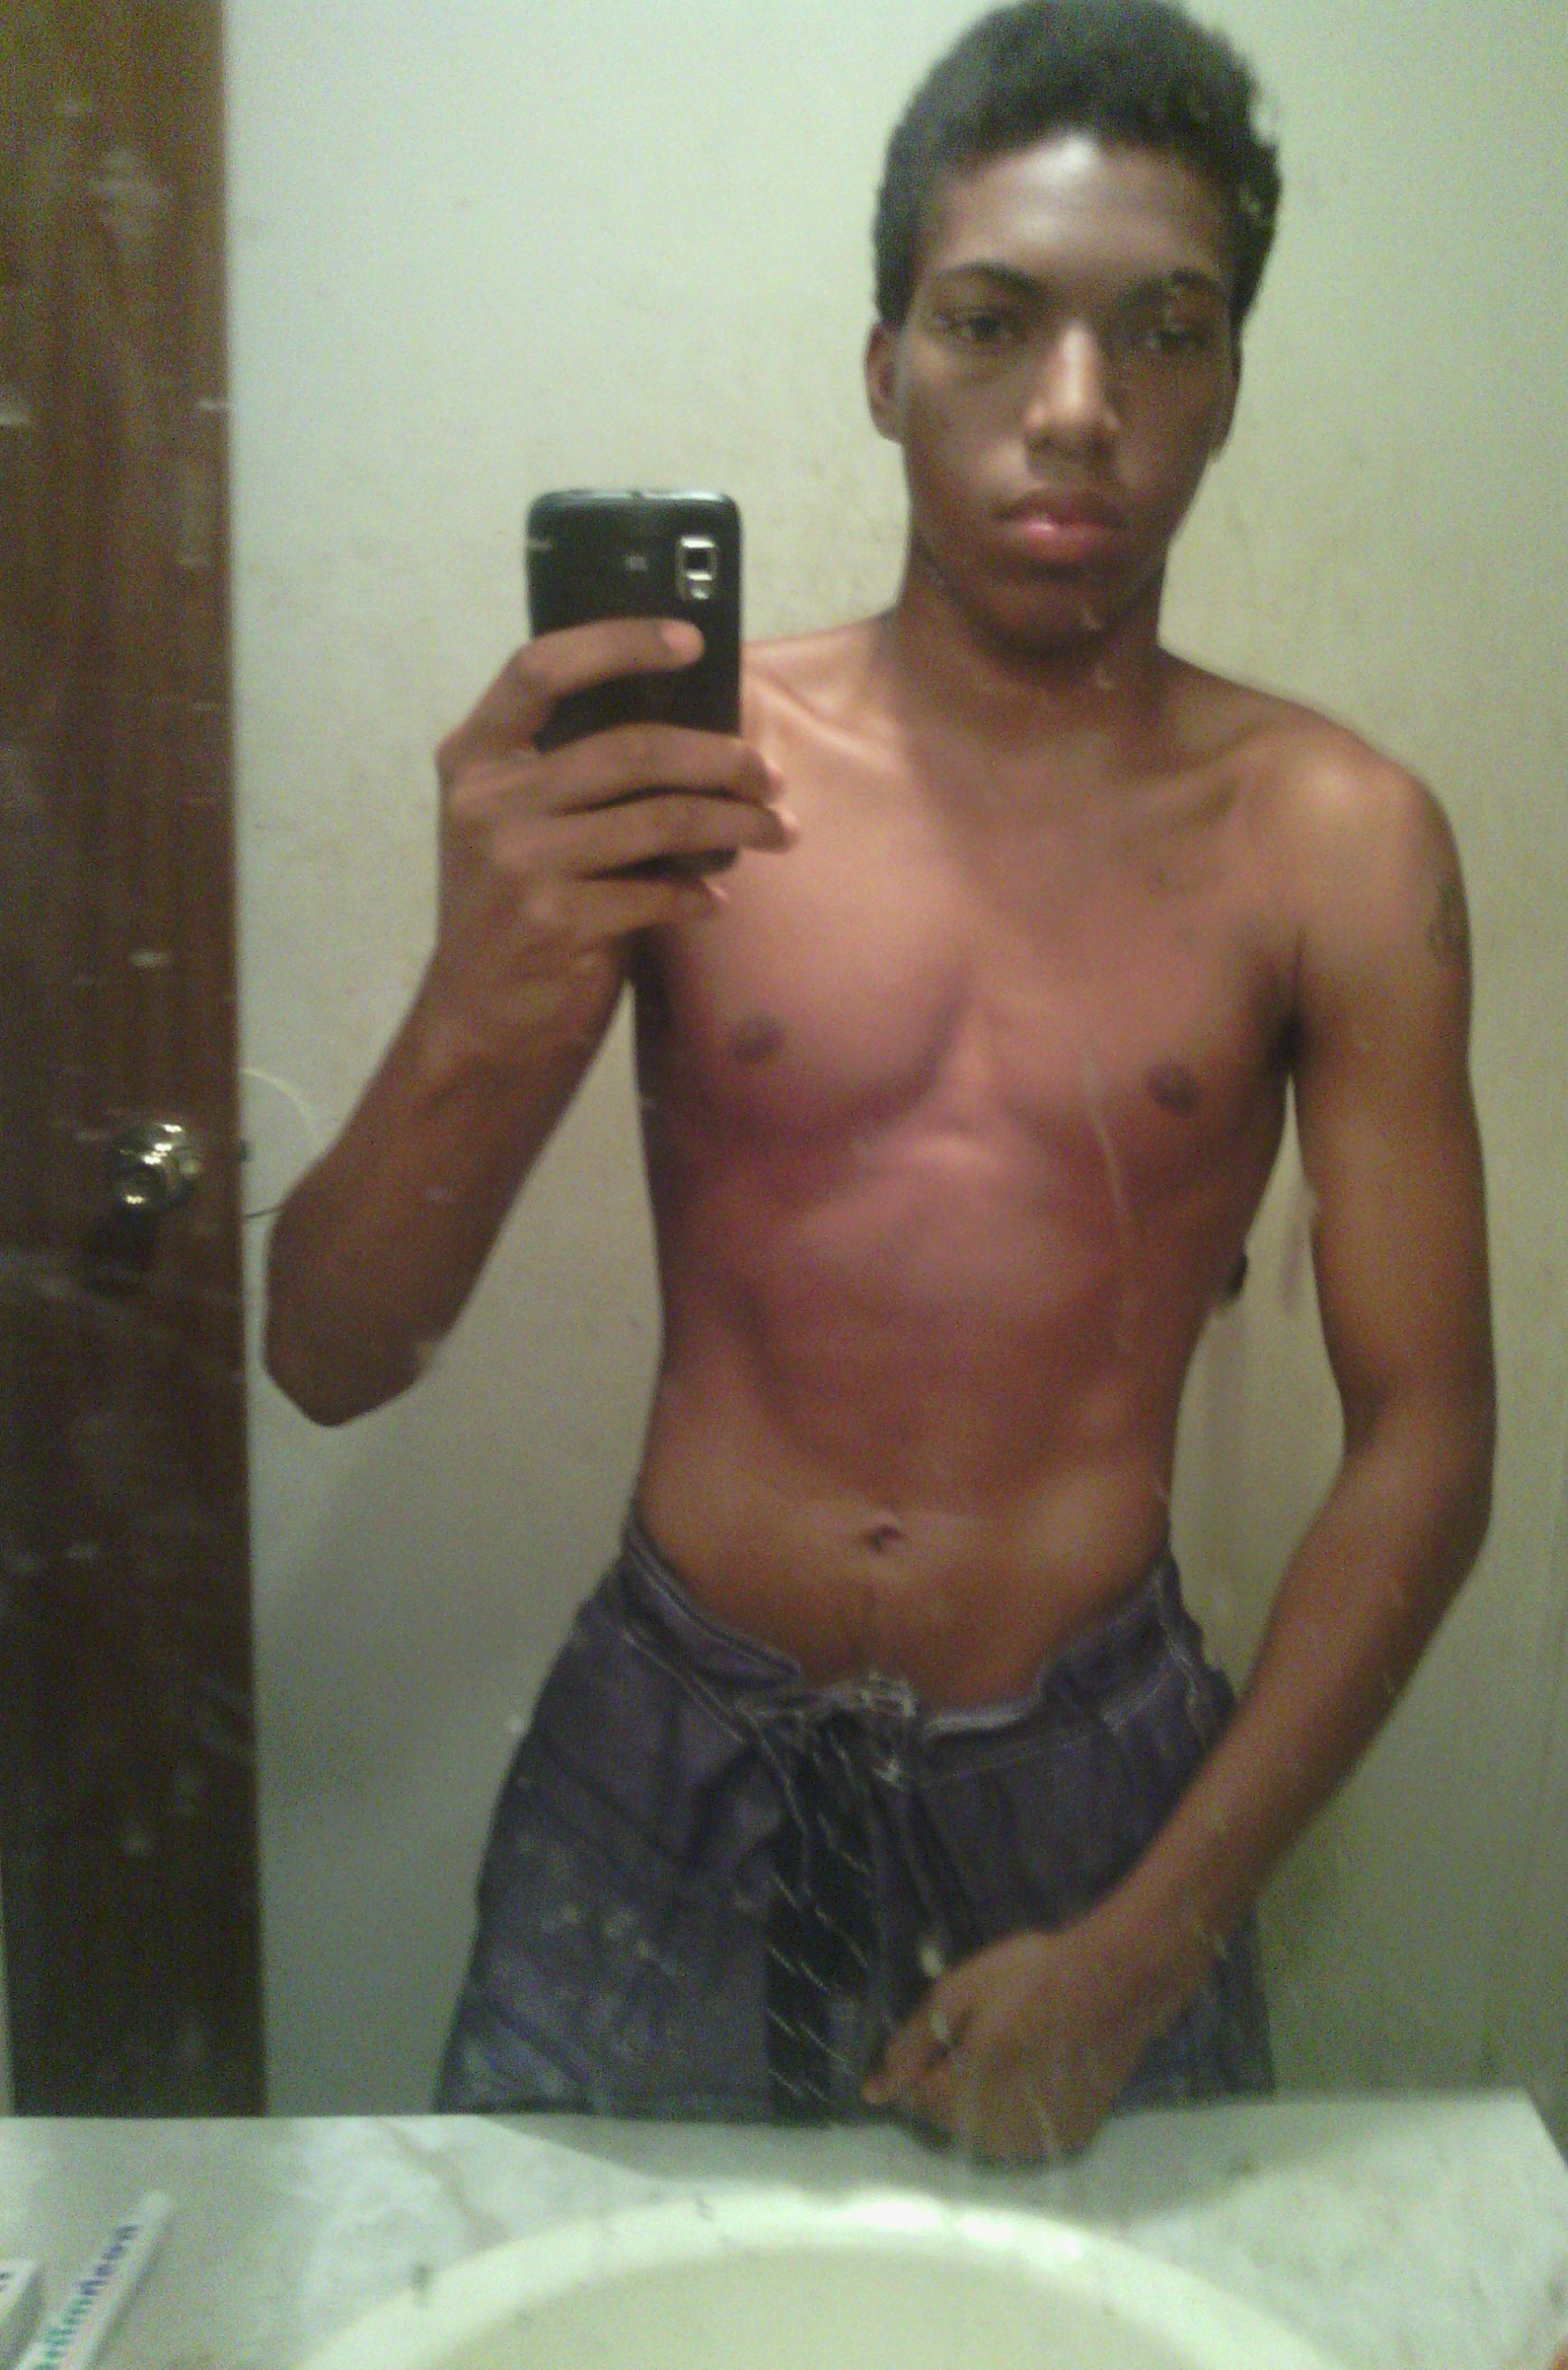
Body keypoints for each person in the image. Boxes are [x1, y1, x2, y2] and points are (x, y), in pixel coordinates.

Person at [265, 0, 1494, 2161]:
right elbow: (330, 1350)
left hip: (1095, 1788)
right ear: (883, 364)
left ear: (1227, 382)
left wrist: (1149, 1942)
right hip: (665, 1742)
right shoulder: (692, 775)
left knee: (1076, 2311)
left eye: (1164, 331)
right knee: (589, 2298)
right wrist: (477, 986)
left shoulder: (1336, 841)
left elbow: (1429, 1437)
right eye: (993, 322)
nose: (1077, 409)